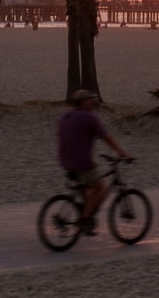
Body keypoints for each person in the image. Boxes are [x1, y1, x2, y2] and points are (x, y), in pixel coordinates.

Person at [57, 90, 131, 235]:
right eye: (90, 100)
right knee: (100, 189)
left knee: (88, 188)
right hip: (81, 162)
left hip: (66, 161)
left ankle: (85, 216)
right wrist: (121, 152)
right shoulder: (89, 117)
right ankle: (84, 219)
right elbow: (106, 137)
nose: (92, 102)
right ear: (84, 102)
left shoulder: (65, 116)